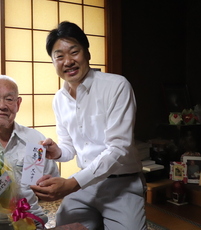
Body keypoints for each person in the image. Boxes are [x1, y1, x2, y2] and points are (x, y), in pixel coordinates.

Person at [30, 21, 147, 230]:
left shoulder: (117, 85)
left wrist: (71, 184)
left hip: (123, 183)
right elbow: (69, 148)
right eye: (59, 56)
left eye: (74, 52)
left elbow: (118, 148)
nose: (68, 61)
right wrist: (57, 151)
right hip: (86, 185)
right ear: (53, 62)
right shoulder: (59, 99)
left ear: (87, 53)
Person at [0, 75, 59, 230]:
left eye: (9, 99)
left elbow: (53, 183)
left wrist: (49, 186)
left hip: (28, 218)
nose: (2, 106)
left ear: (18, 103)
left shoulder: (36, 140)